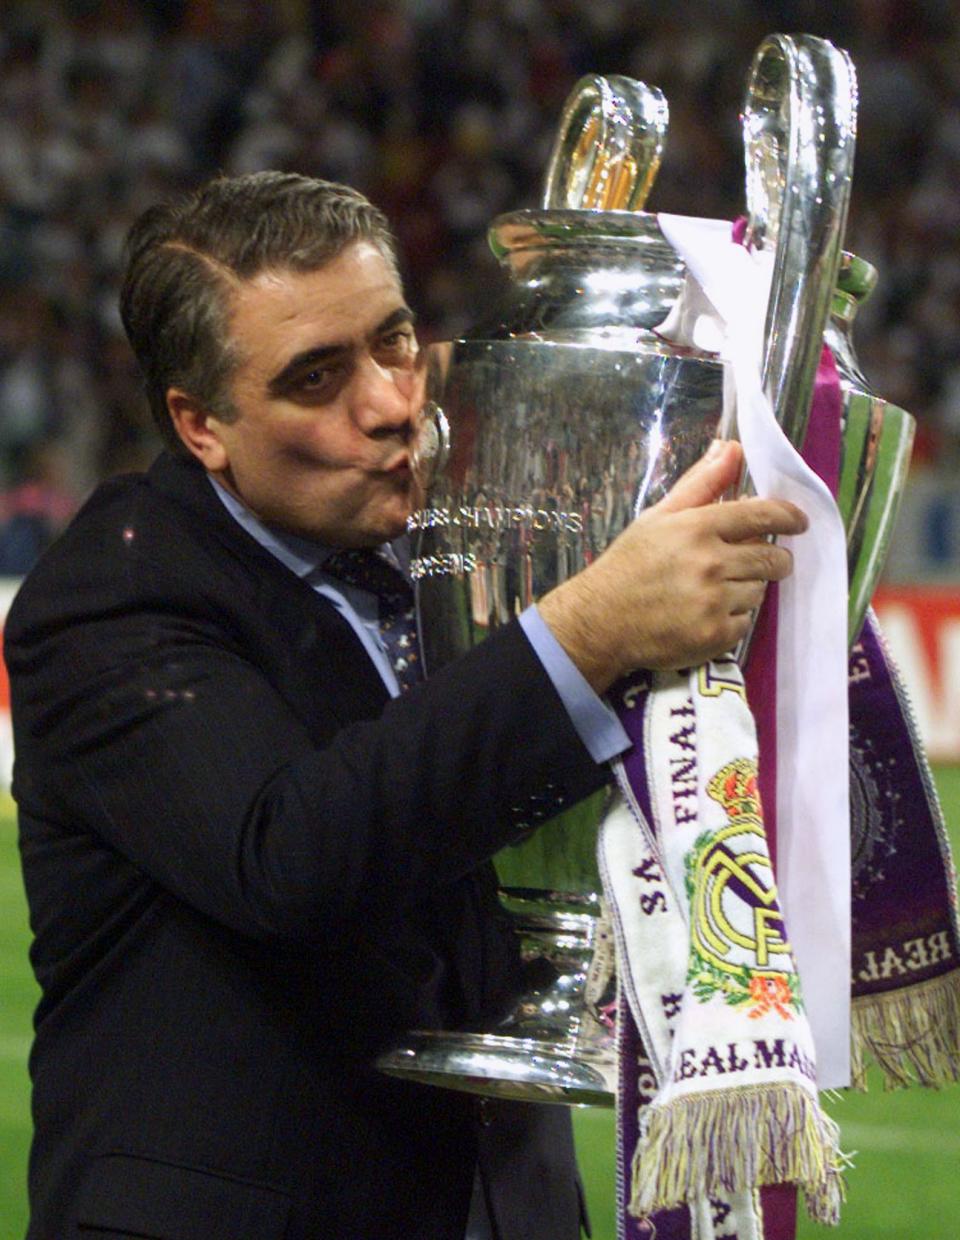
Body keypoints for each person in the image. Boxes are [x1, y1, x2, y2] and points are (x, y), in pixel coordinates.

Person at [4, 172, 805, 1239]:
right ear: (202, 425)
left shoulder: (448, 537)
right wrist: (589, 629)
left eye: (392, 340)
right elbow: (291, 853)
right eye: (316, 377)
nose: (387, 402)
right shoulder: (114, 596)